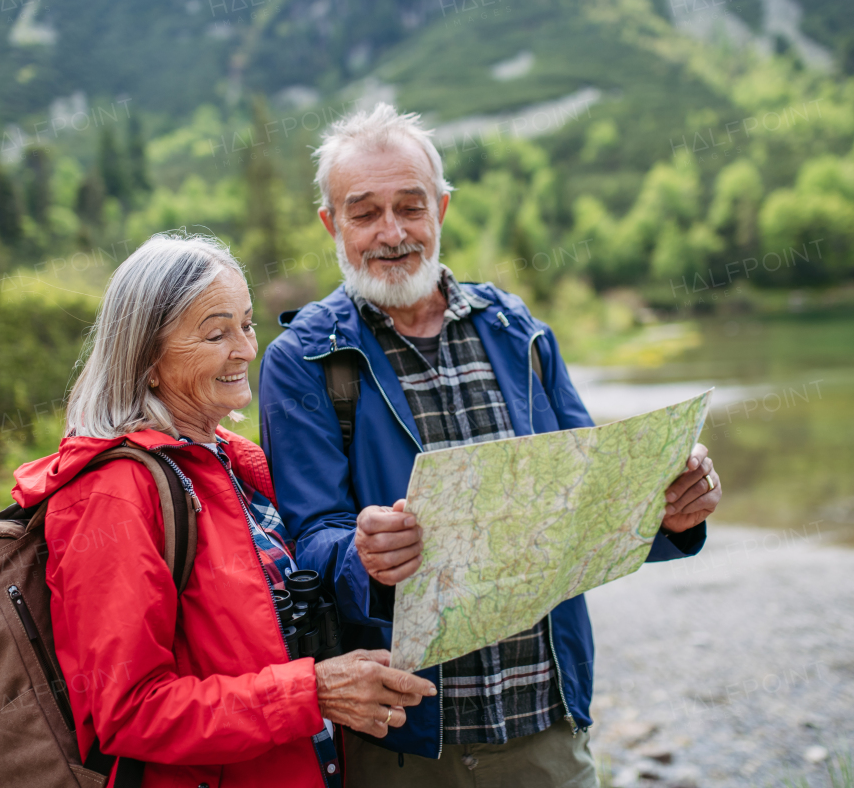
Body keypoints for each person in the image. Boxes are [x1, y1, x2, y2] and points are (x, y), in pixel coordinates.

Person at [259, 104, 724, 787]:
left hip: (545, 724)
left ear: (441, 209)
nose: (391, 232)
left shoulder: (519, 331)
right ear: (332, 223)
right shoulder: (302, 360)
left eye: (410, 207)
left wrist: (673, 513)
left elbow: (589, 499)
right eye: (364, 213)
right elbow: (311, 537)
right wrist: (361, 553)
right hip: (402, 743)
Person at [10, 233, 436, 788]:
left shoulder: (236, 463)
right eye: (216, 333)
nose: (246, 349)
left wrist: (368, 559)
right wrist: (314, 692)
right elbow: (129, 711)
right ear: (148, 359)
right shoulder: (111, 496)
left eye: (247, 323)